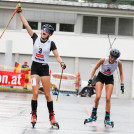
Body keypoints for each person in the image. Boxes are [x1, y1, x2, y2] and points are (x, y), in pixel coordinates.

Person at [16, 3, 66, 128]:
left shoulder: (51, 43)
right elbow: (26, 25)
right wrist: (19, 12)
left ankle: (52, 117)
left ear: (50, 34)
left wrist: (61, 63)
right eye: (43, 29)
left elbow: (57, 56)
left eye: (47, 31)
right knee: (35, 93)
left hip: (44, 68)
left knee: (48, 95)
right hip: (35, 67)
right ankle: (34, 115)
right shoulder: (35, 38)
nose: (44, 31)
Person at [84, 49, 124, 126]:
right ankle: (93, 115)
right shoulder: (103, 59)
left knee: (108, 98)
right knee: (98, 96)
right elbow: (95, 68)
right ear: (109, 55)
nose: (112, 59)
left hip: (109, 78)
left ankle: (107, 118)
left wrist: (122, 84)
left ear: (117, 58)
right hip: (100, 77)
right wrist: (90, 79)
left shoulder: (118, 62)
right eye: (111, 57)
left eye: (115, 58)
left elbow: (121, 73)